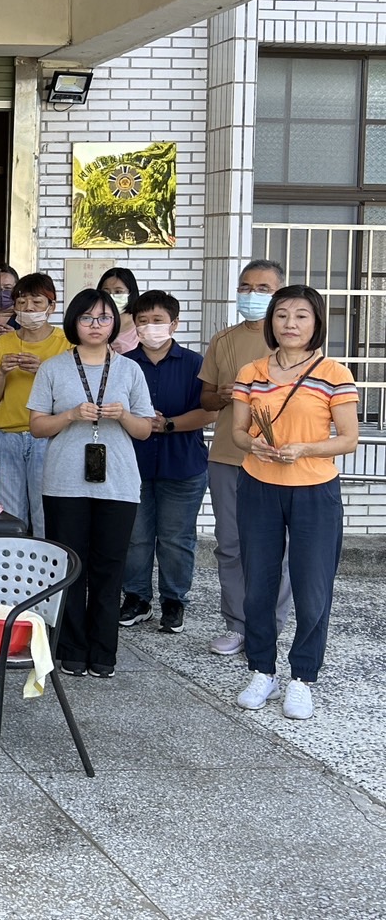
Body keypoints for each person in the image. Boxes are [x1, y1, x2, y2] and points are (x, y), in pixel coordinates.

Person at [231, 286, 358, 721]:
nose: (290, 323)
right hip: (258, 484)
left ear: (316, 322)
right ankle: (261, 670)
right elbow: (237, 432)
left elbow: (348, 439)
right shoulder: (252, 371)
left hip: (314, 490)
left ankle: (302, 678)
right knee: (259, 586)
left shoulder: (334, 373)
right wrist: (255, 446)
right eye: (282, 315)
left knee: (312, 588)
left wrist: (304, 449)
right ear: (271, 321)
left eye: (301, 316)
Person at [28, 288, 154, 678]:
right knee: (70, 566)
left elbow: (145, 429)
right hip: (64, 482)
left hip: (117, 482)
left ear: (115, 322)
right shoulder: (53, 367)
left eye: (103, 317)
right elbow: (36, 427)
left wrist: (122, 416)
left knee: (109, 567)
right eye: (87, 318)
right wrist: (69, 415)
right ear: (74, 323)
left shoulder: (130, 369)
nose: (96, 325)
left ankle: (103, 654)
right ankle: (71, 650)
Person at [199, 258, 291, 657]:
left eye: (263, 289)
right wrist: (222, 396)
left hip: (277, 458)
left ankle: (270, 626)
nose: (252, 296)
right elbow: (204, 399)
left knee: (275, 546)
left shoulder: (295, 345)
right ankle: (236, 624)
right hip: (227, 454)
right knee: (231, 543)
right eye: (246, 287)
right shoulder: (224, 340)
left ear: (280, 294)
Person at [118, 290, 216, 635]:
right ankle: (137, 598)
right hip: (134, 464)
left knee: (176, 538)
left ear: (174, 323)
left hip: (183, 464)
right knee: (135, 536)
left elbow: (209, 411)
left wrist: (168, 423)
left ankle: (174, 601)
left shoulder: (195, 364)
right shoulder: (123, 363)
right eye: (142, 321)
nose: (149, 327)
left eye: (157, 320)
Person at [0, 273, 70, 538]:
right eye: (21, 302)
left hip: (48, 437)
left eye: (36, 302)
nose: (28, 308)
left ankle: (48, 576)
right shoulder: (2, 342)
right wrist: (1, 373)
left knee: (46, 513)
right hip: (5, 437)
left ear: (51, 307)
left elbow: (72, 398)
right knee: (9, 515)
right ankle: (11, 578)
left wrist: (44, 371)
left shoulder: (66, 343)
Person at [98, 266, 141, 354]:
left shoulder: (141, 324)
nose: (111, 296)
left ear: (131, 293)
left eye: (118, 292)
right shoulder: (96, 323)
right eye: (106, 292)